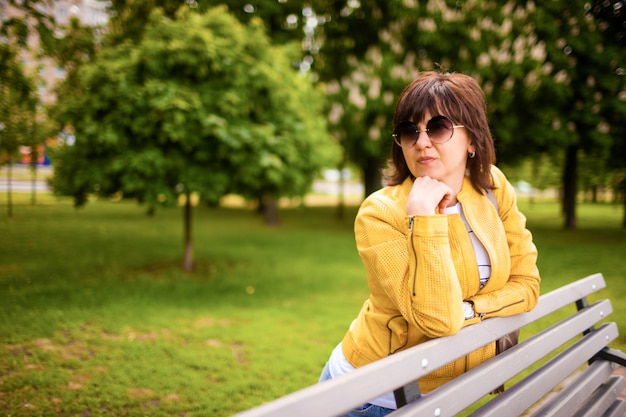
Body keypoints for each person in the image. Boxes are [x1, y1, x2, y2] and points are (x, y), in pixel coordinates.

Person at [318, 71, 541, 417]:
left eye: (438, 127)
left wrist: (469, 309)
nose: (421, 141)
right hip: (373, 398)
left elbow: (527, 286)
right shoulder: (380, 213)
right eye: (409, 131)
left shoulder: (493, 188)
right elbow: (439, 321)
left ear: (473, 140)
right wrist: (425, 218)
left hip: (443, 396)